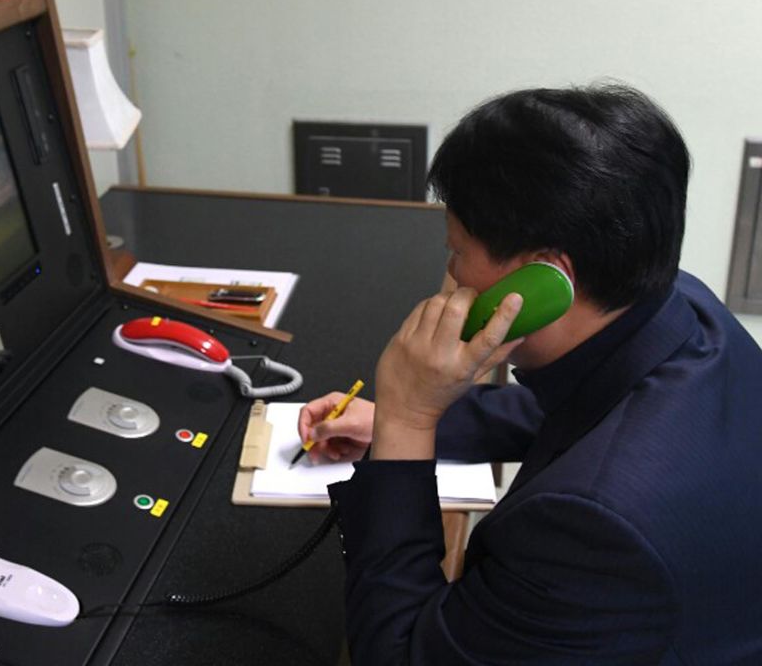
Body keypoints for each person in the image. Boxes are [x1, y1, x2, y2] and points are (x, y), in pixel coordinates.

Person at [299, 85, 762, 663]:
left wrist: (408, 420)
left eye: (458, 251)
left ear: (543, 281)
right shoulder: (675, 305)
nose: (448, 271)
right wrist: (423, 421)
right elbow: (583, 411)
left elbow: (397, 653)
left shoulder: (592, 531)